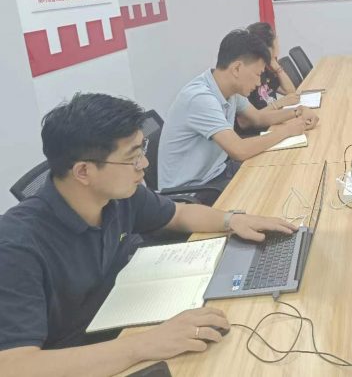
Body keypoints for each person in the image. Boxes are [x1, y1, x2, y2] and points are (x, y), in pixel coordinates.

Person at [0, 93, 297, 376]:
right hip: (86, 360)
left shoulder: (117, 196)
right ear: (83, 172)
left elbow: (177, 214)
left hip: (127, 317)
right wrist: (144, 344)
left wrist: (233, 220)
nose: (144, 164)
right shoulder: (17, 246)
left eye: (141, 150)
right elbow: (13, 367)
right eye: (132, 157)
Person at [158, 28, 319, 191]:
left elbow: (258, 118)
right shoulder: (200, 98)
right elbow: (239, 150)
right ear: (236, 69)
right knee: (274, 188)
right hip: (193, 189)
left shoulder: (229, 90)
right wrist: (288, 131)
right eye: (257, 74)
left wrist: (297, 112)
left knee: (282, 172)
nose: (259, 82)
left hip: (218, 172)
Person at [245, 22, 300, 111]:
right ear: (267, 48)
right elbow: (253, 117)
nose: (278, 43)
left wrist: (276, 66)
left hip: (275, 115)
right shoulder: (248, 76)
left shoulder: (266, 68)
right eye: (276, 40)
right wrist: (279, 103)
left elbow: (290, 92)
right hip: (269, 119)